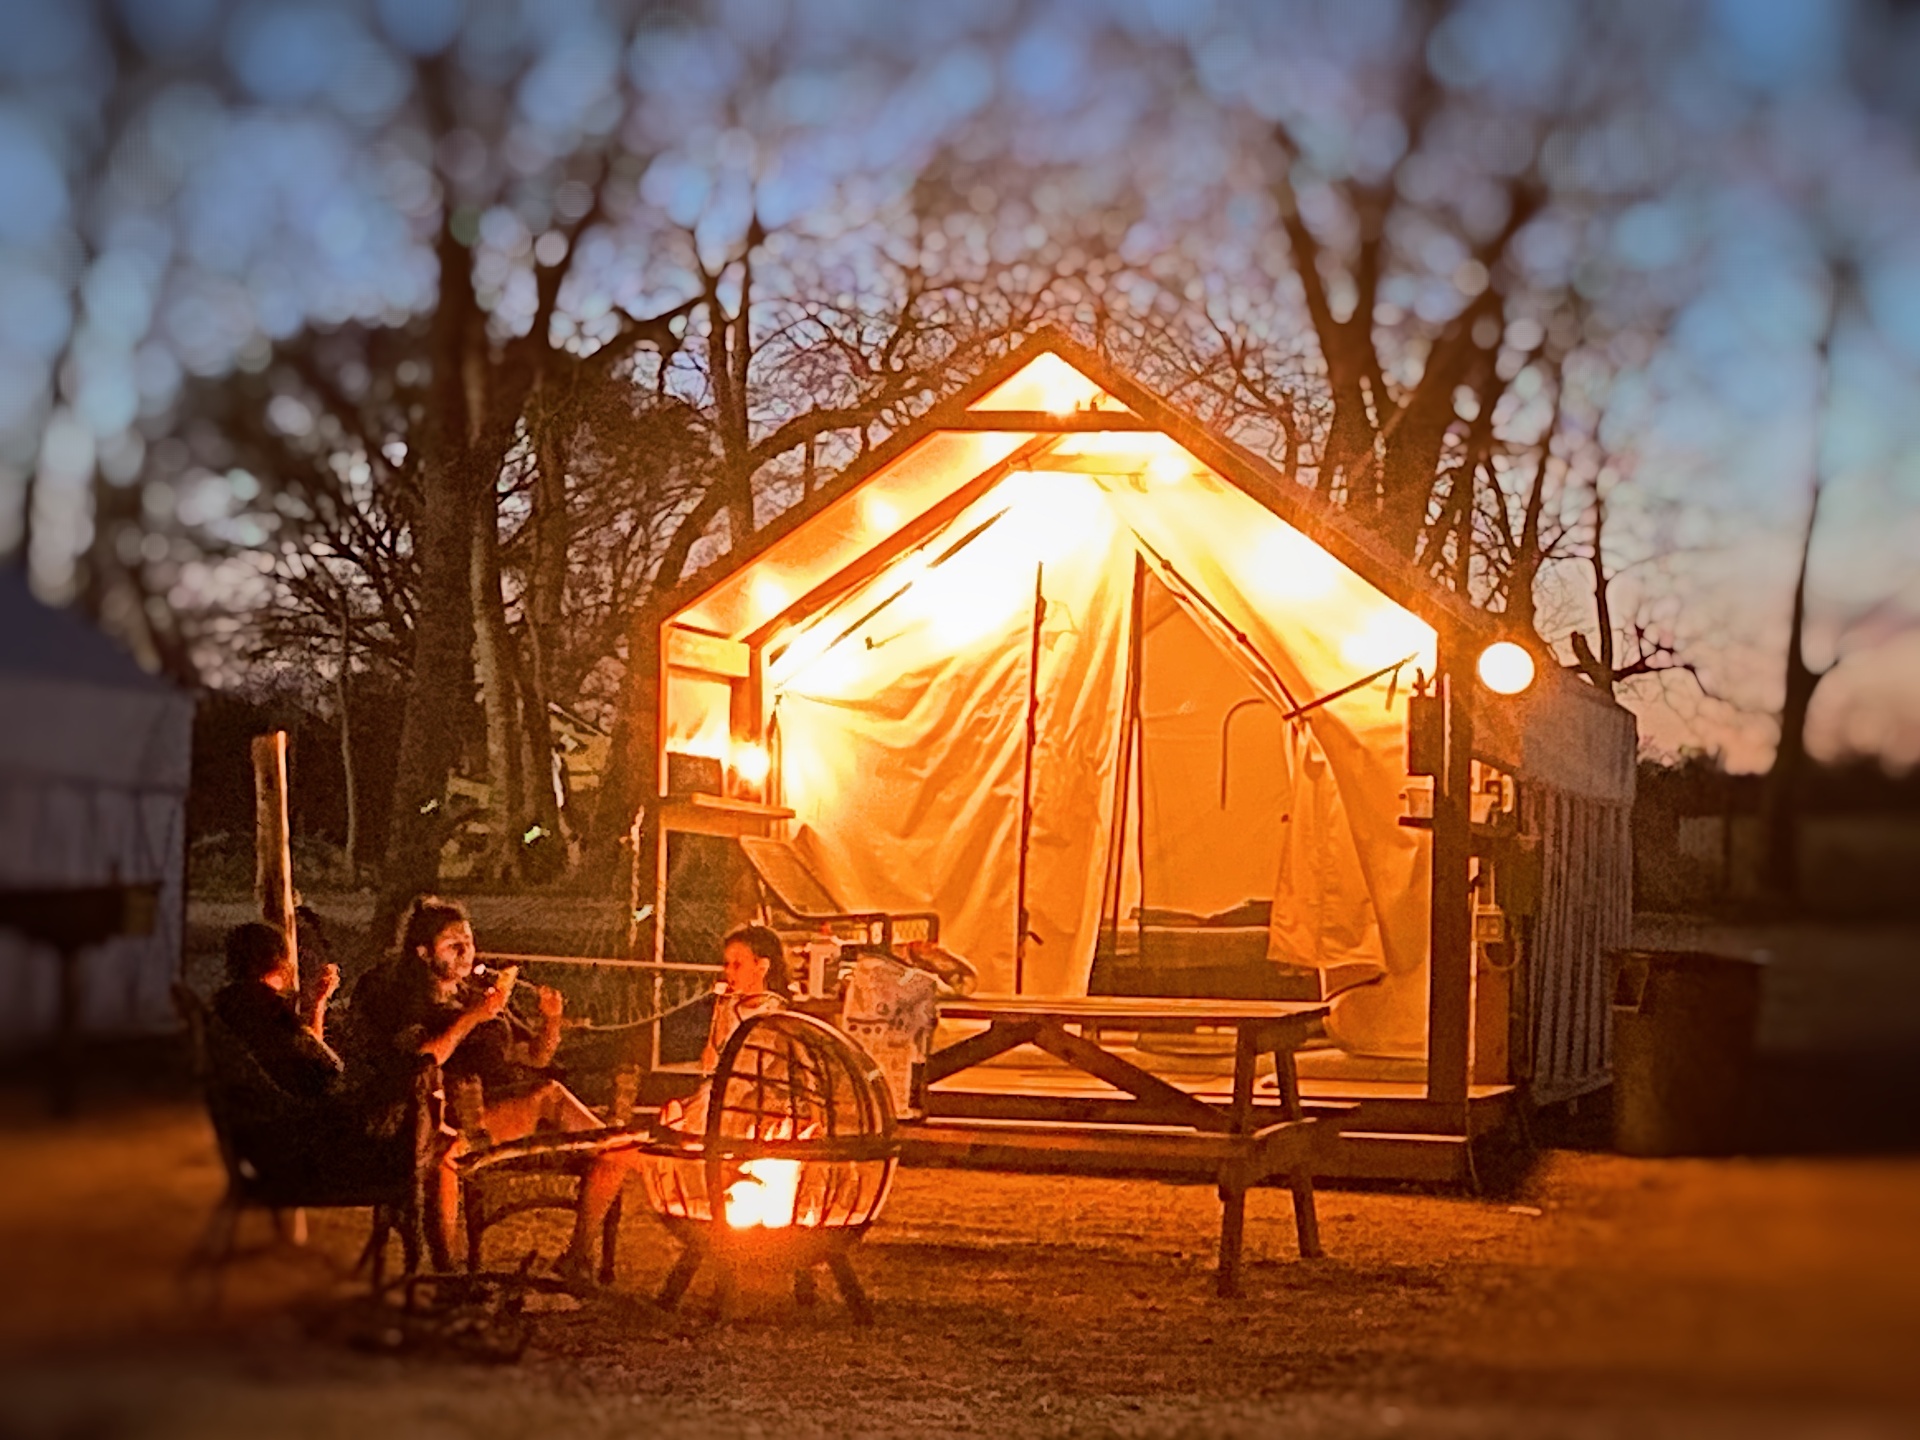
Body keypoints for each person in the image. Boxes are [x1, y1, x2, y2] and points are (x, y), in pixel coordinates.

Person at [343, 896, 634, 1286]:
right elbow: (422, 1059)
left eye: (469, 942)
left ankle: (578, 1255)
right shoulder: (411, 1003)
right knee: (537, 1100)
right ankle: (448, 1272)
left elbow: (533, 1056)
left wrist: (551, 1022)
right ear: (424, 952)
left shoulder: (473, 994)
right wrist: (472, 1018)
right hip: (454, 1113)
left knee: (619, 1151)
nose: (466, 953)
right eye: (453, 946)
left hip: (508, 1103)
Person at [212, 921, 460, 1266]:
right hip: (312, 1152)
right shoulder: (268, 1014)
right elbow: (330, 1074)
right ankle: (443, 1263)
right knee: (419, 1075)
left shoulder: (225, 1013)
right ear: (278, 963)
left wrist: (317, 1007)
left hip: (262, 1143)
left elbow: (309, 1067)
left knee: (422, 1109)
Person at [700, 923, 794, 1073]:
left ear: (762, 967)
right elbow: (709, 1067)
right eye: (726, 964)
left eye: (737, 965)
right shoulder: (725, 1006)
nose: (729, 972)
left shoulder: (775, 1016)